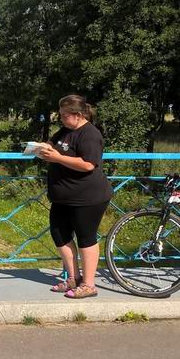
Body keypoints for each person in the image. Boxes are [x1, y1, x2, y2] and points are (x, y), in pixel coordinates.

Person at [38, 94, 112, 299]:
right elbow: (51, 145)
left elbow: (88, 164)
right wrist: (42, 150)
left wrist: (57, 158)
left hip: (88, 196)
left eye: (64, 115)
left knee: (86, 237)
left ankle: (89, 284)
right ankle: (73, 278)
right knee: (59, 234)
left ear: (78, 115)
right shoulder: (65, 130)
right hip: (63, 196)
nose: (60, 119)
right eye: (60, 115)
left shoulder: (90, 134)